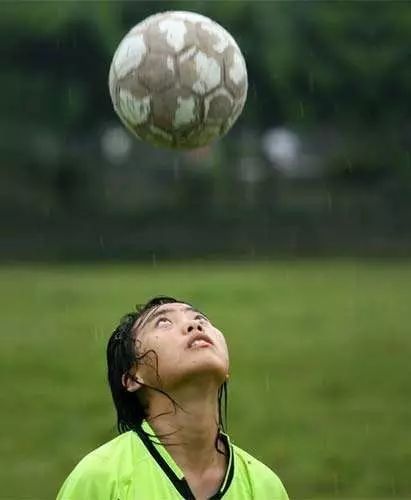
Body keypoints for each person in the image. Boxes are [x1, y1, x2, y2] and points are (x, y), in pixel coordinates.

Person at [57, 296, 289, 499]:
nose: (193, 325)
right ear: (133, 378)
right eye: (164, 322)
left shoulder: (265, 487)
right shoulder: (100, 478)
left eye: (200, 319)